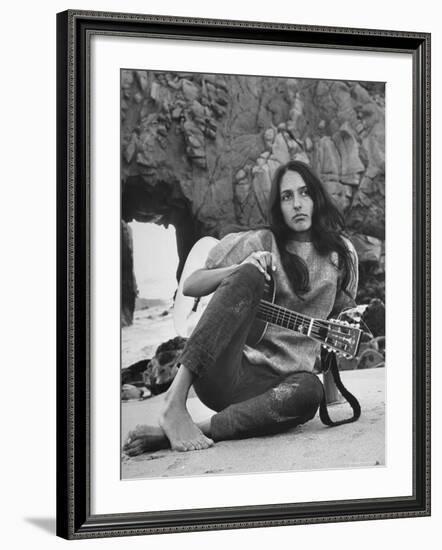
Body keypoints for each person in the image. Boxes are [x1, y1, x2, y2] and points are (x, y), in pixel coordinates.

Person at [124, 160, 359, 455]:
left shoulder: (339, 258)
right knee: (248, 274)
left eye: (305, 193)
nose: (297, 204)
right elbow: (191, 286)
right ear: (278, 205)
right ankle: (174, 402)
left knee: (310, 391)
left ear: (317, 197)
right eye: (287, 197)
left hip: (273, 389)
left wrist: (332, 391)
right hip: (224, 370)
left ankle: (191, 430)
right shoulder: (262, 240)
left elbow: (331, 330)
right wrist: (239, 268)